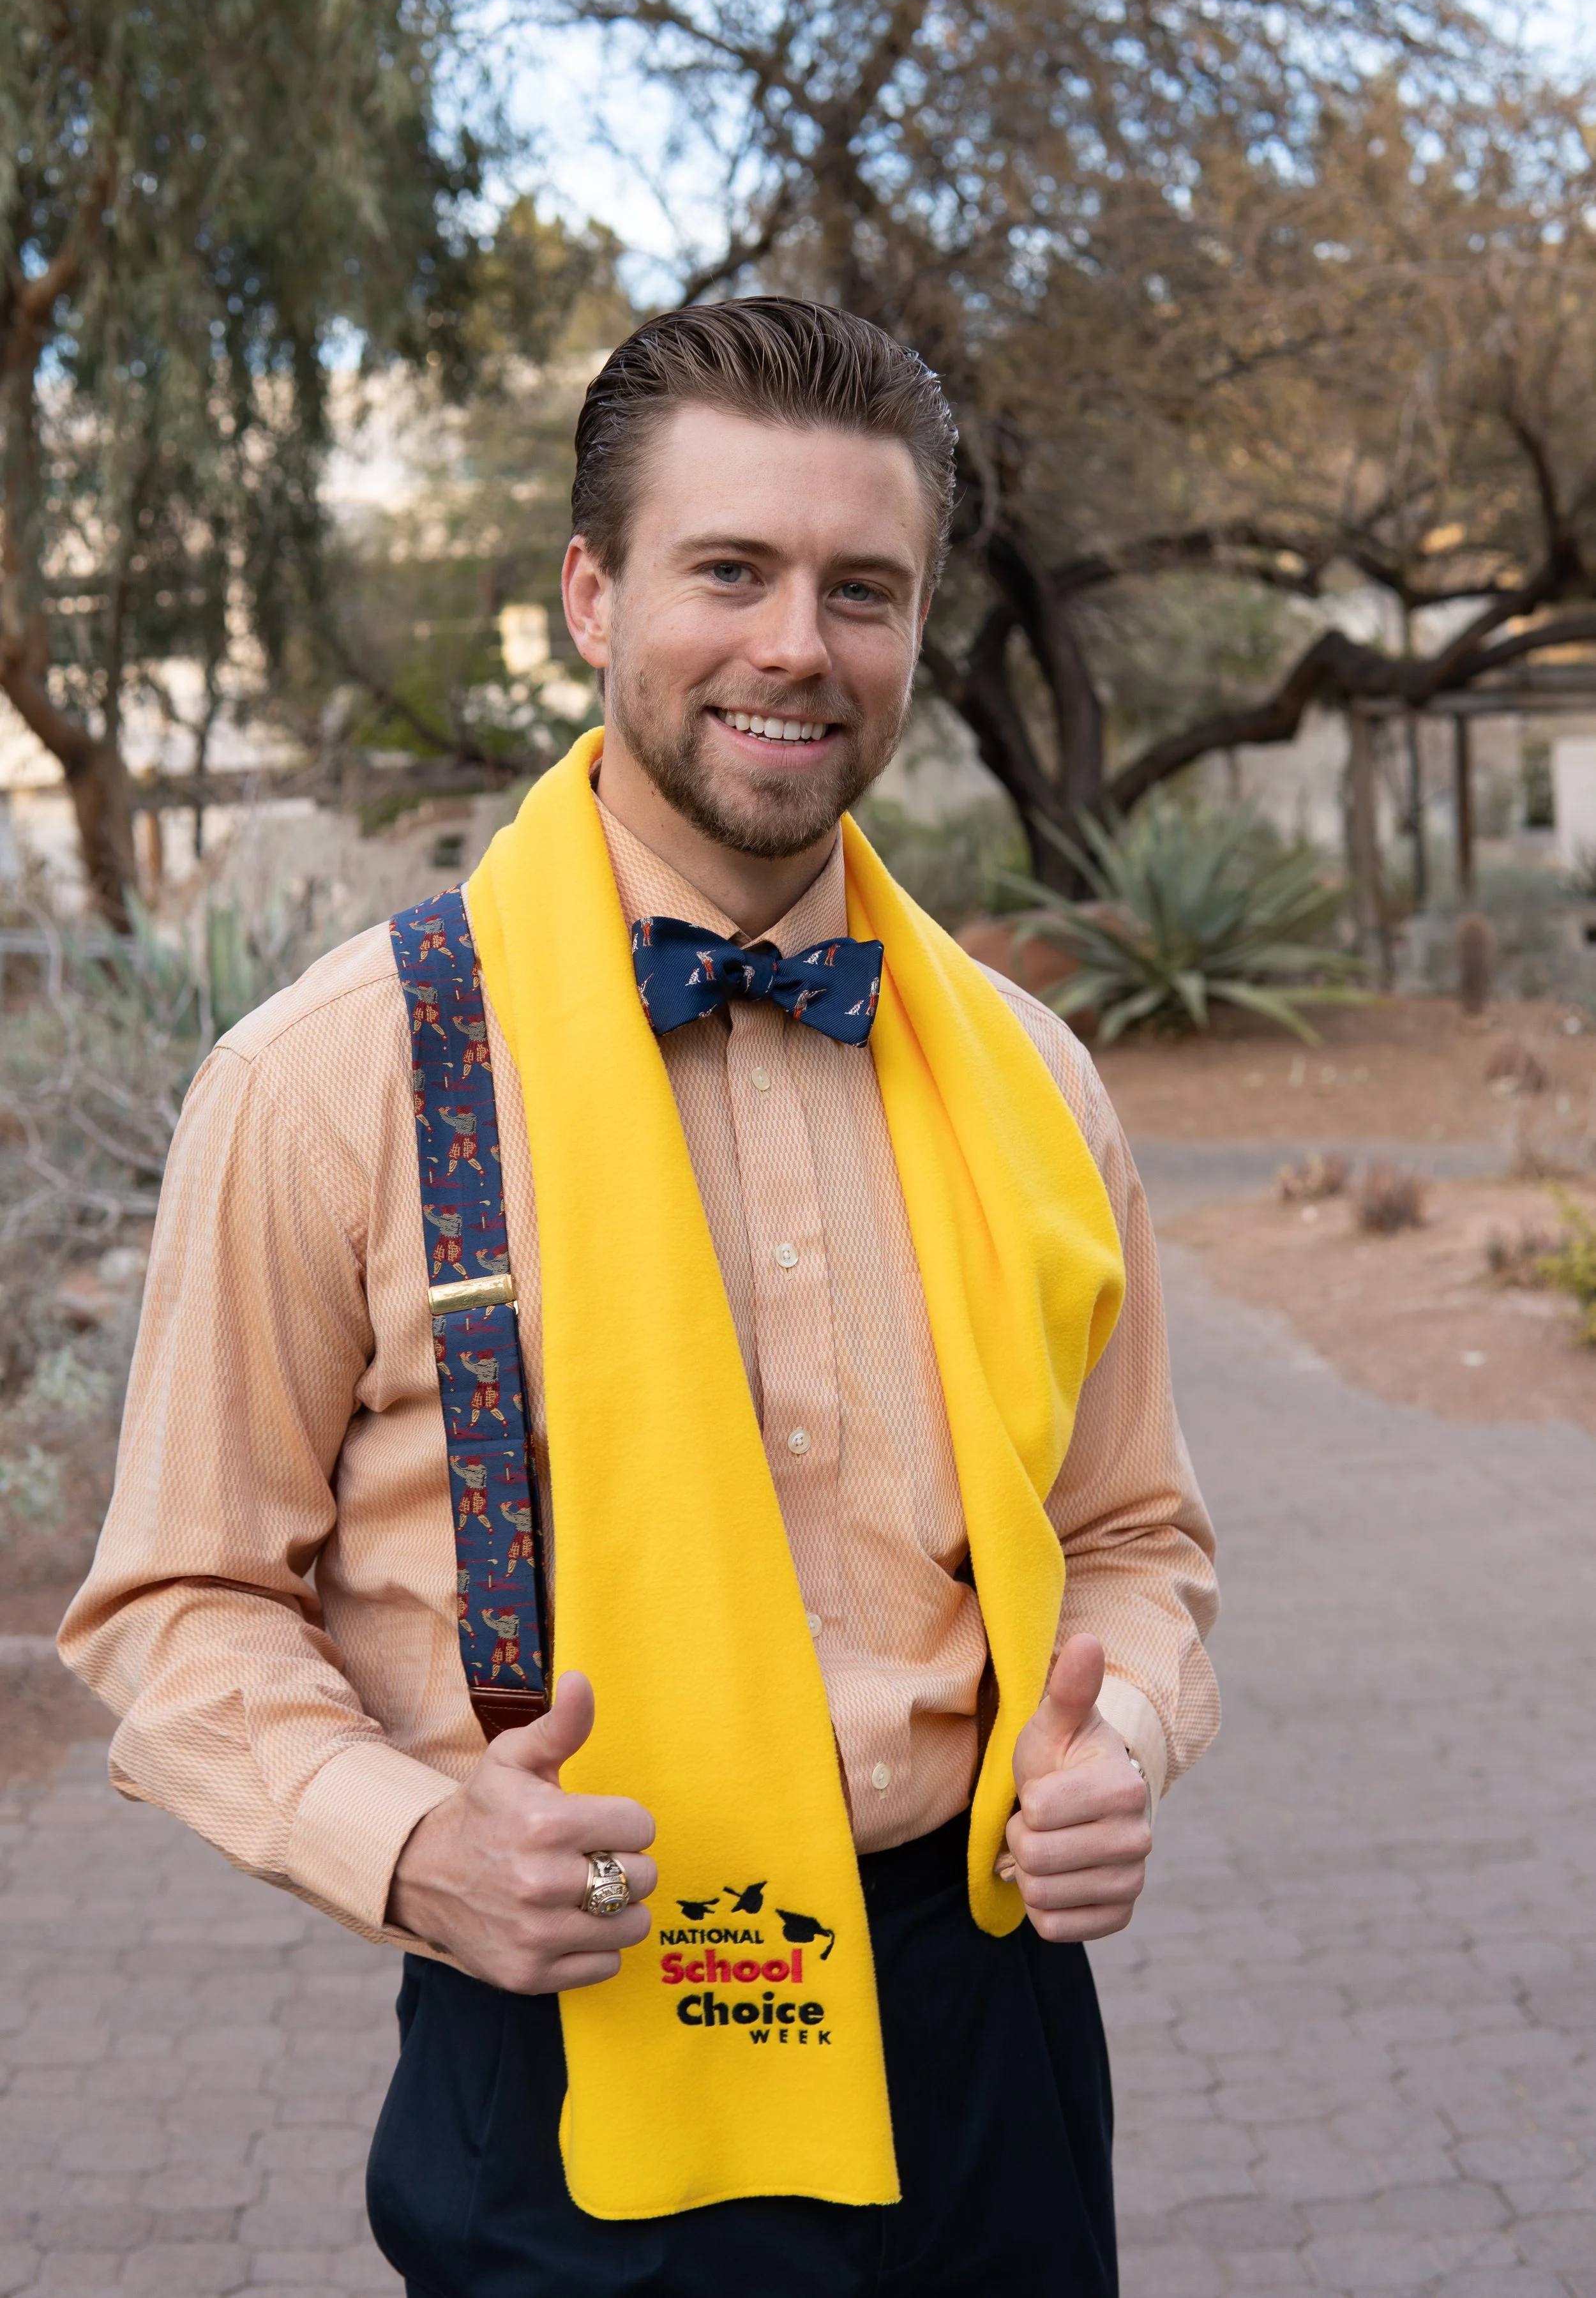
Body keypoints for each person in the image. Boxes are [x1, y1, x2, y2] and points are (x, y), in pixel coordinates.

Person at [60, 298, 1219, 2298]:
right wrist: (414, 1844)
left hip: (990, 2024)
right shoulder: (336, 1075)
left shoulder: (1031, 1076)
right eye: (730, 571)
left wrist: (1119, 1737)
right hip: (584, 1997)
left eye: (862, 589)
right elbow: (180, 1601)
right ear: (592, 595)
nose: (797, 645)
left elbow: (1129, 1532)